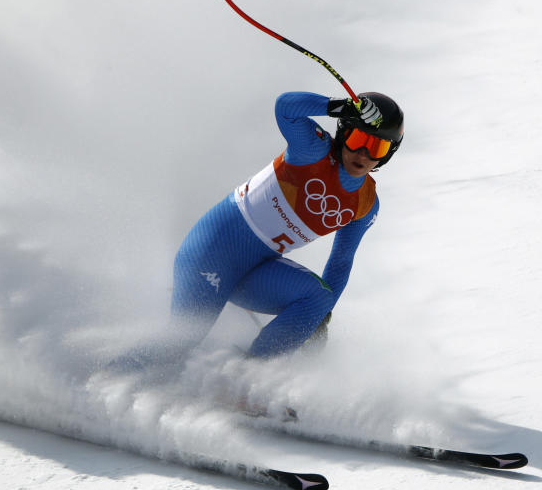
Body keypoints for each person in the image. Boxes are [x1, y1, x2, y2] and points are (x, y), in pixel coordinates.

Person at [164, 90, 404, 360]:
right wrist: (336, 106)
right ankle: (110, 368)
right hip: (213, 253)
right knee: (178, 347)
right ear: (345, 131)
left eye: (376, 147)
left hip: (256, 270)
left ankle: (248, 379)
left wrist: (316, 319)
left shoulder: (366, 203)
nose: (362, 153)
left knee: (319, 299)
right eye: (358, 139)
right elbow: (285, 107)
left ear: (387, 154)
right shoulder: (313, 149)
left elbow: (340, 263)